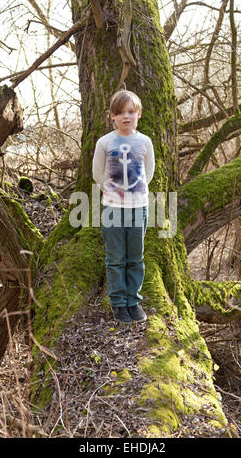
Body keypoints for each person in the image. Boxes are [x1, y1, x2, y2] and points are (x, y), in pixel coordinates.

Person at [92, 90, 155, 324]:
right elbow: (97, 173)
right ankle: (118, 302)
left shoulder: (144, 142)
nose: (126, 116)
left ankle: (133, 300)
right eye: (120, 112)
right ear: (112, 116)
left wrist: (134, 193)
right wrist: (112, 192)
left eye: (131, 111)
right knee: (115, 258)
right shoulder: (105, 142)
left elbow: (149, 172)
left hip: (139, 207)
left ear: (138, 114)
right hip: (112, 208)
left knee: (135, 257)